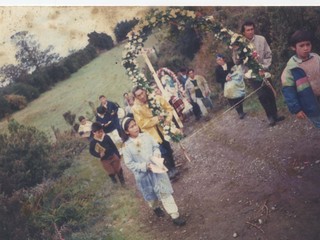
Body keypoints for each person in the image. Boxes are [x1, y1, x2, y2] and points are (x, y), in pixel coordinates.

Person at [121, 117, 186, 226]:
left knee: (165, 192)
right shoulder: (126, 147)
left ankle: (175, 215)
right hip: (144, 176)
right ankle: (155, 207)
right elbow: (129, 163)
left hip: (157, 171)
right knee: (151, 196)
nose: (135, 127)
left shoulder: (146, 136)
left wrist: (156, 154)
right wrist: (144, 166)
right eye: (131, 127)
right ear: (127, 131)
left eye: (135, 124)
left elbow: (156, 146)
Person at [235, 20, 284, 126]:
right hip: (251, 74)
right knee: (262, 95)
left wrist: (264, 67)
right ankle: (270, 117)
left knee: (270, 93)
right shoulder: (239, 44)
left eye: (252, 29)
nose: (250, 32)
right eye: (248, 30)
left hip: (264, 71)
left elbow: (268, 54)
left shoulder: (261, 39)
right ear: (243, 32)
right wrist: (238, 54)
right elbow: (236, 61)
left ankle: (275, 115)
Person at [131, 85, 179, 179]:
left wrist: (168, 119)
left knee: (168, 148)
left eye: (142, 93)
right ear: (135, 97)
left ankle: (173, 167)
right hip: (151, 134)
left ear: (145, 91)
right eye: (138, 96)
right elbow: (141, 124)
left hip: (163, 129)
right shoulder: (135, 108)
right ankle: (169, 171)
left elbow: (168, 109)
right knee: (161, 152)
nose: (141, 96)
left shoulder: (155, 98)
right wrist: (156, 119)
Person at [281, 29, 320, 128]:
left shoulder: (316, 58)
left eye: (308, 44)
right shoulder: (291, 68)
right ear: (294, 47)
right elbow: (288, 91)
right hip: (310, 104)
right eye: (301, 45)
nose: (306, 48)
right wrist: (296, 109)